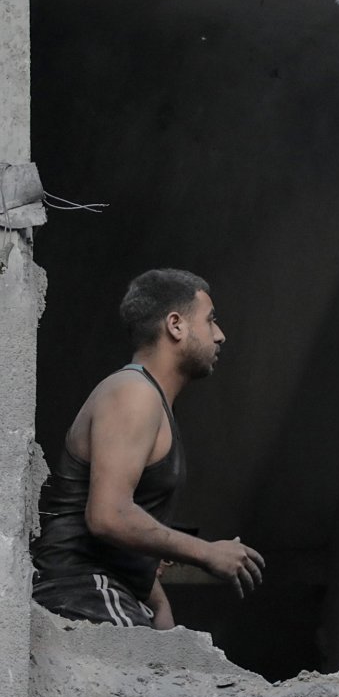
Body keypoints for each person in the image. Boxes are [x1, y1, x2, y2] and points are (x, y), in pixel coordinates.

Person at [32, 269, 265, 629]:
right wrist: (208, 553)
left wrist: (158, 603)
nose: (220, 336)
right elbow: (108, 516)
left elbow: (125, 525)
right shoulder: (134, 394)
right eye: (210, 320)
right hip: (83, 592)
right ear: (176, 325)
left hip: (109, 593)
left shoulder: (150, 399)